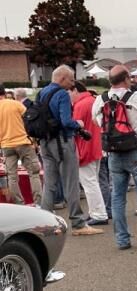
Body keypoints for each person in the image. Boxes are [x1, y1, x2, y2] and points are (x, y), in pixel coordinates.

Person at [93, 64, 137, 250]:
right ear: (126, 78)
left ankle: (122, 240)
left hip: (113, 152)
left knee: (117, 197)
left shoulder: (100, 100)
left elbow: (96, 120)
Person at [34, 67, 99, 234]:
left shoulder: (42, 92)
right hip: (62, 142)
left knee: (49, 183)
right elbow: (66, 121)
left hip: (45, 142)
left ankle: (44, 221)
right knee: (71, 182)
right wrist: (79, 124)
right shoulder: (62, 94)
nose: (72, 84)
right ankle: (78, 223)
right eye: (71, 80)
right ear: (62, 78)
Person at [71, 82, 108, 226]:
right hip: (96, 147)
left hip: (85, 149)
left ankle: (98, 214)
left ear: (75, 91)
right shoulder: (92, 101)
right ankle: (97, 212)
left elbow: (75, 129)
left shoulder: (80, 106)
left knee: (89, 183)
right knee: (94, 182)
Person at [0, 86, 41, 205]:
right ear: (4, 93)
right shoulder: (15, 104)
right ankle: (38, 203)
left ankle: (19, 204)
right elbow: (29, 119)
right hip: (23, 142)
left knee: (12, 177)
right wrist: (33, 139)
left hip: (6, 145)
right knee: (33, 173)